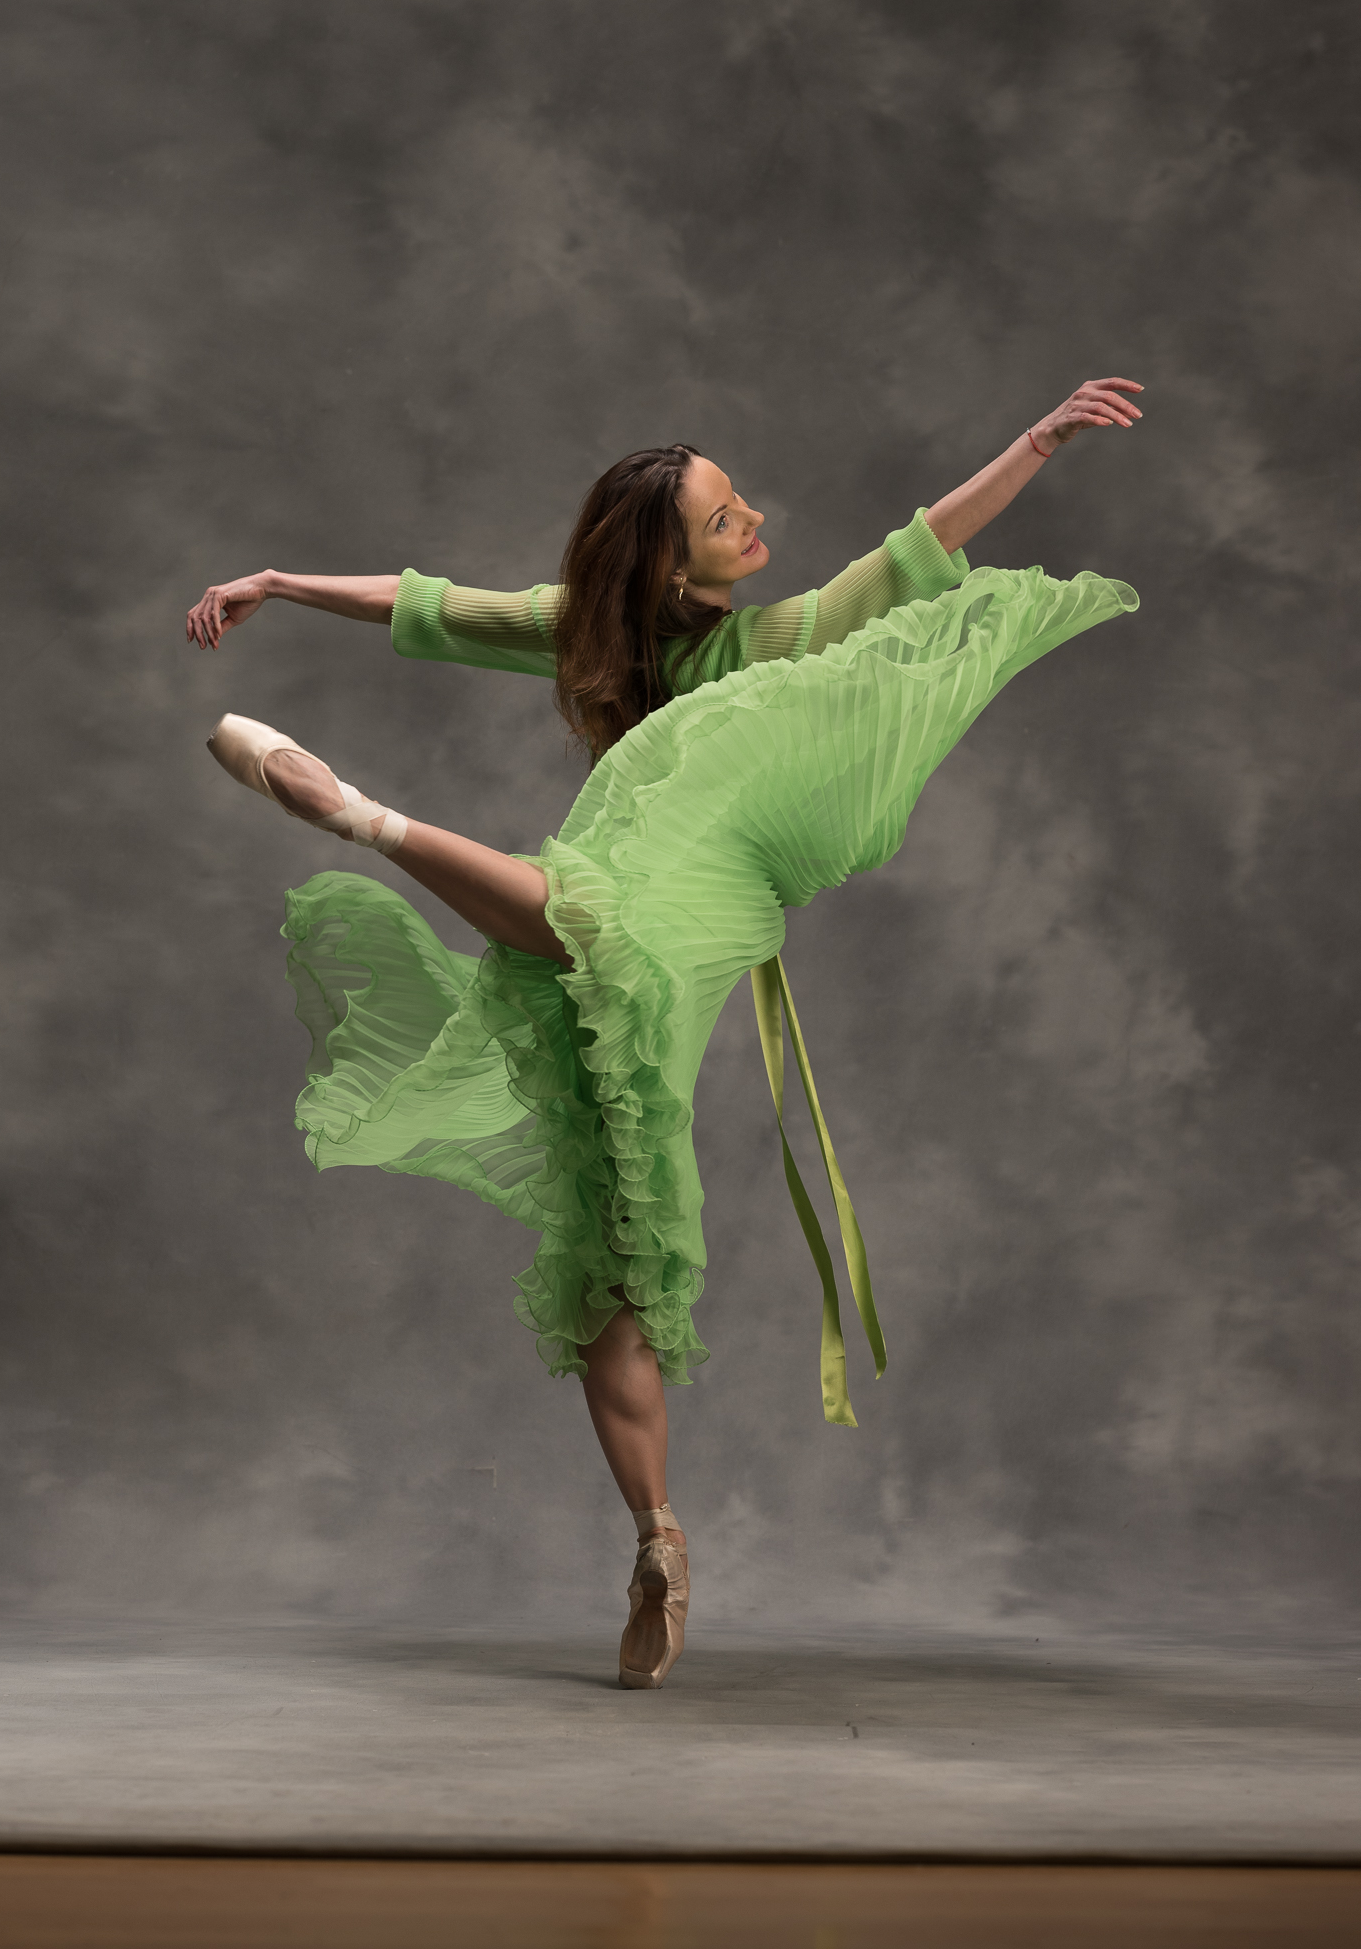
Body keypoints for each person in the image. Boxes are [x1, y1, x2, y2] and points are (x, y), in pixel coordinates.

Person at [185, 378, 1143, 1687]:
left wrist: (1037, 442)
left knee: (585, 923)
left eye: (740, 503)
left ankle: (368, 820)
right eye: (723, 517)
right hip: (613, 879)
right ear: (666, 568)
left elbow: (917, 553)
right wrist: (279, 584)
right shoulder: (591, 630)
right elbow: (434, 608)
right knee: (613, 1267)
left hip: (701, 896)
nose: (755, 521)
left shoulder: (778, 635)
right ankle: (658, 1540)